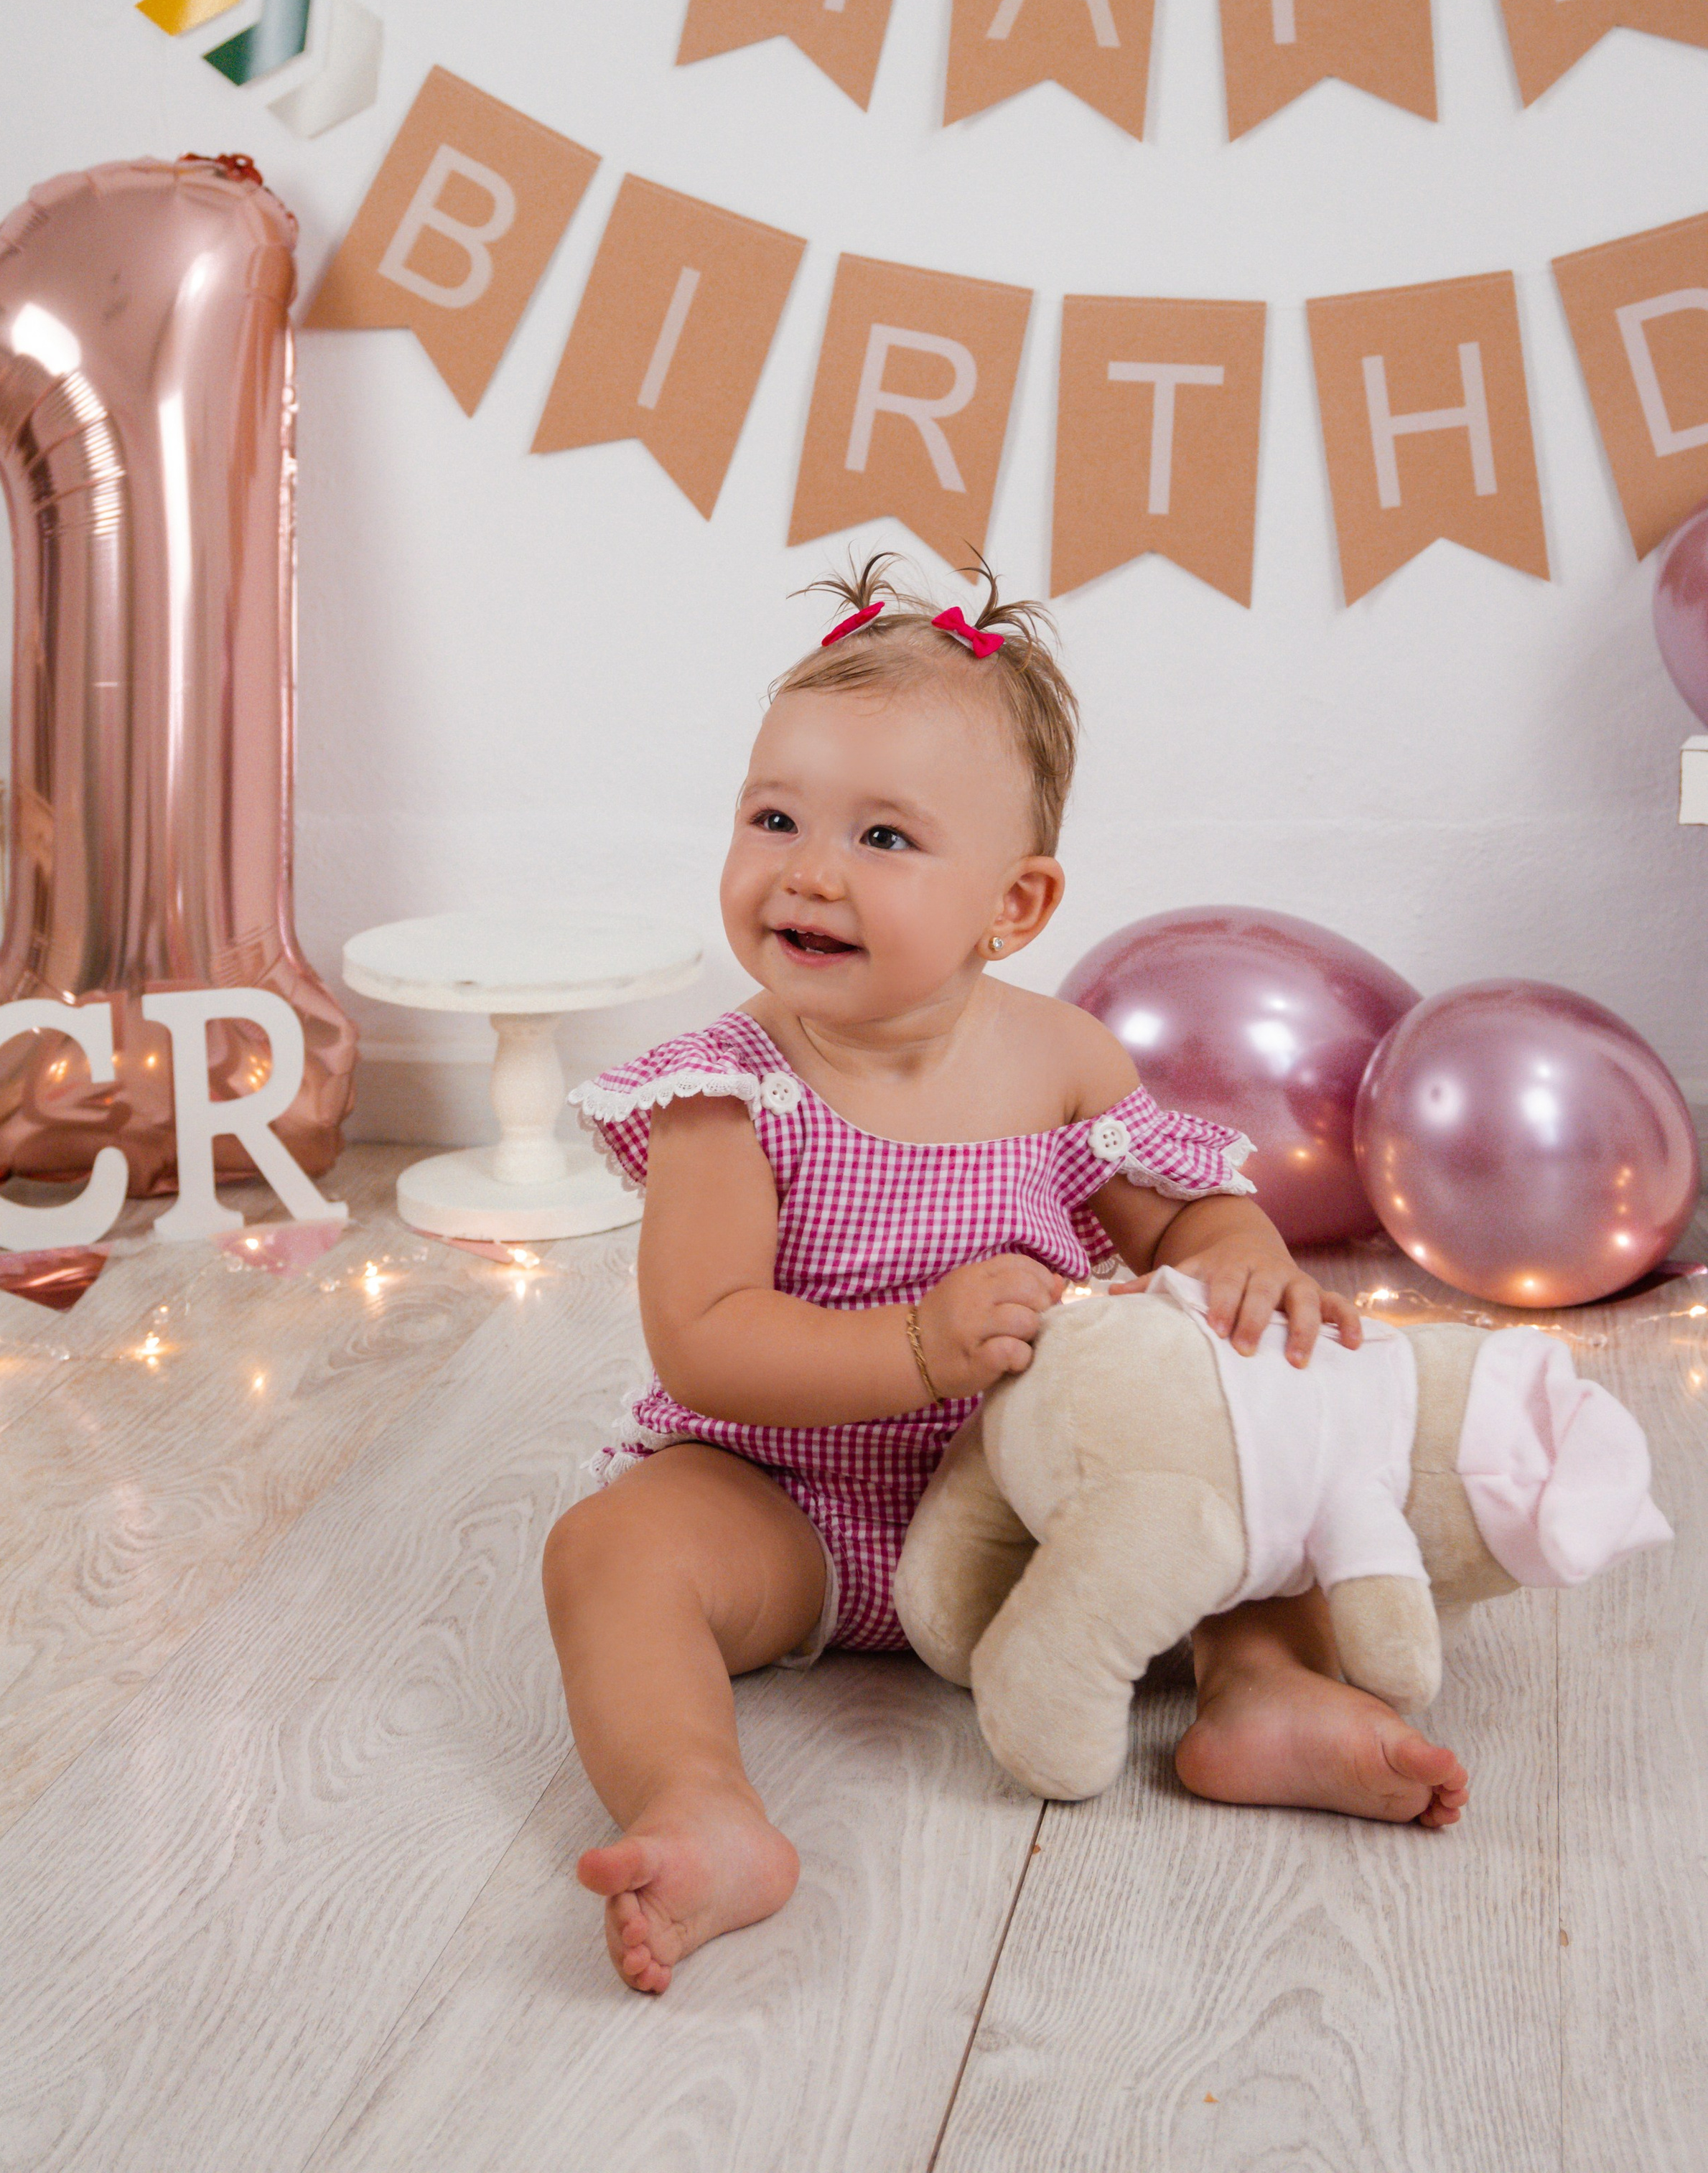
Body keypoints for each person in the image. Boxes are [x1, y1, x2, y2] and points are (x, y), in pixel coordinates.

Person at [543, 556, 1468, 1996]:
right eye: (773, 816)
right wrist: (911, 1349)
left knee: (1223, 1469)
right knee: (608, 1551)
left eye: (882, 837)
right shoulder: (726, 1092)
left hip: (1023, 1507)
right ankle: (698, 1804)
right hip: (780, 1504)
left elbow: (1188, 1224)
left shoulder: (1059, 1065)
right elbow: (703, 1346)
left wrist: (1244, 1276)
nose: (807, 868)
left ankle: (1262, 1695)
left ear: (1013, 902)